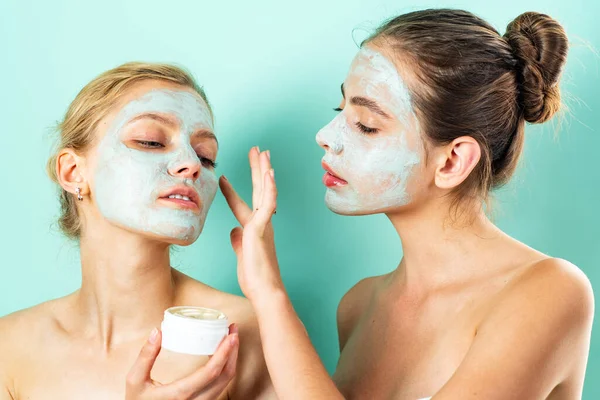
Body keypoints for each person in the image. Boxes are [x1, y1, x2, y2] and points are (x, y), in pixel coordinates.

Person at [220, 9, 595, 400]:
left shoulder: (548, 293)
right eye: (340, 110)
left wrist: (269, 296)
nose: (325, 136)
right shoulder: (359, 306)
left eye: (366, 124)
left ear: (452, 162)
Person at [0, 62, 273, 400]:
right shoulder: (10, 349)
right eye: (151, 142)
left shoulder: (242, 333)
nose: (190, 164)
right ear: (72, 172)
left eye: (206, 157)